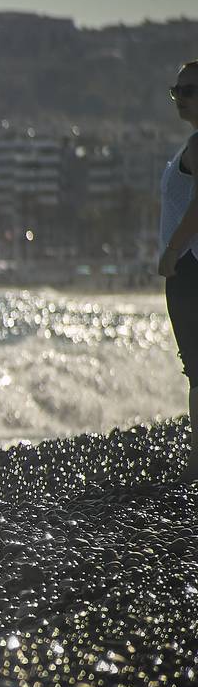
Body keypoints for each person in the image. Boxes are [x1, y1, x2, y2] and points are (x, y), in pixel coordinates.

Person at [159, 59, 198, 481]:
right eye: (177, 89)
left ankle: (197, 464)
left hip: (190, 268)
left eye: (189, 90)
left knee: (196, 364)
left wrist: (172, 250)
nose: (180, 97)